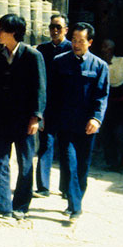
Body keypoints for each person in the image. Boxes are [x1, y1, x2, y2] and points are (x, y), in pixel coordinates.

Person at [0, 14, 46, 220]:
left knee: (25, 163)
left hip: (25, 119)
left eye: (2, 30)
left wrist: (36, 117)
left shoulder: (32, 55)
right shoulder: (0, 54)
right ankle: (0, 204)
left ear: (13, 33)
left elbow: (40, 88)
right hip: (3, 117)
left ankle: (20, 205)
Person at [46, 22, 109, 220]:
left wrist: (96, 119)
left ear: (90, 42)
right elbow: (52, 93)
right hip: (65, 124)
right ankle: (75, 205)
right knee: (69, 162)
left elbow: (101, 96)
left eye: (81, 41)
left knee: (83, 166)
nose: (76, 44)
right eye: (74, 40)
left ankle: (76, 200)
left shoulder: (100, 66)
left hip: (87, 125)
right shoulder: (59, 62)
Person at [34, 13, 71, 197]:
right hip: (47, 106)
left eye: (58, 27)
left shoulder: (73, 49)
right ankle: (43, 187)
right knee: (45, 145)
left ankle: (66, 188)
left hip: (66, 107)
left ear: (66, 29)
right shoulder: (42, 50)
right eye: (52, 27)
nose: (54, 30)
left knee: (66, 147)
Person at [98, 38, 123, 172]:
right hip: (106, 103)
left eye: (107, 47)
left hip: (121, 103)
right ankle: (112, 162)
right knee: (106, 133)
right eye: (103, 47)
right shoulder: (99, 63)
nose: (104, 50)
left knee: (120, 132)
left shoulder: (122, 61)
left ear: (112, 49)